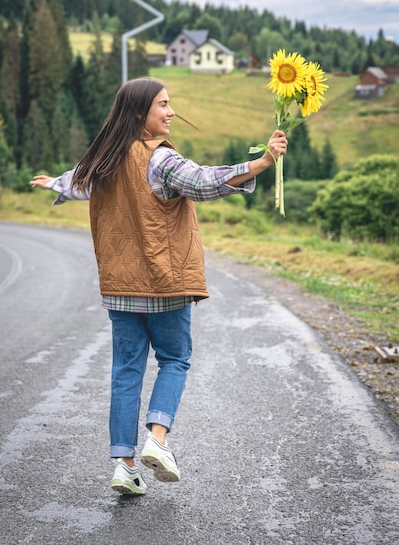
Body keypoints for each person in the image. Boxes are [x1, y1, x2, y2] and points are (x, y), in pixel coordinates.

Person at [31, 77, 287, 496]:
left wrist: (51, 184)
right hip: (164, 284)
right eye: (163, 105)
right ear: (139, 113)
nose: (170, 112)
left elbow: (74, 181)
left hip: (119, 287)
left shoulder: (103, 159)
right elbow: (204, 182)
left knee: (126, 371)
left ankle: (124, 467)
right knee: (175, 360)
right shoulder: (160, 159)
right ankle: (158, 441)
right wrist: (261, 161)